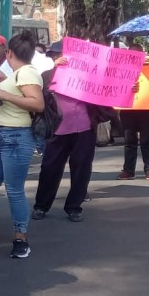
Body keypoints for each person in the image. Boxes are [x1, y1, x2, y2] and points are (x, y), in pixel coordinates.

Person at [0, 31, 44, 259]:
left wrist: (3, 93)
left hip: (14, 136)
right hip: (1, 135)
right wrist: (3, 86)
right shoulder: (19, 73)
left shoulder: (26, 72)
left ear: (9, 53)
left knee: (14, 190)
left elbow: (37, 104)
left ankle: (20, 238)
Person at [33, 51, 114, 222]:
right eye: (57, 56)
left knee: (82, 169)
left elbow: (110, 90)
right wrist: (56, 69)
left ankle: (74, 207)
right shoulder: (47, 75)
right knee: (49, 168)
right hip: (58, 129)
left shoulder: (90, 76)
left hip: (84, 128)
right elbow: (40, 95)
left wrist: (130, 89)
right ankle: (41, 205)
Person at [117, 43, 149, 180]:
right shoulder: (121, 69)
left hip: (145, 108)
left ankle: (148, 169)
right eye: (132, 54)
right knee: (129, 140)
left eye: (137, 54)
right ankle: (129, 170)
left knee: (146, 140)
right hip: (128, 108)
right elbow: (115, 85)